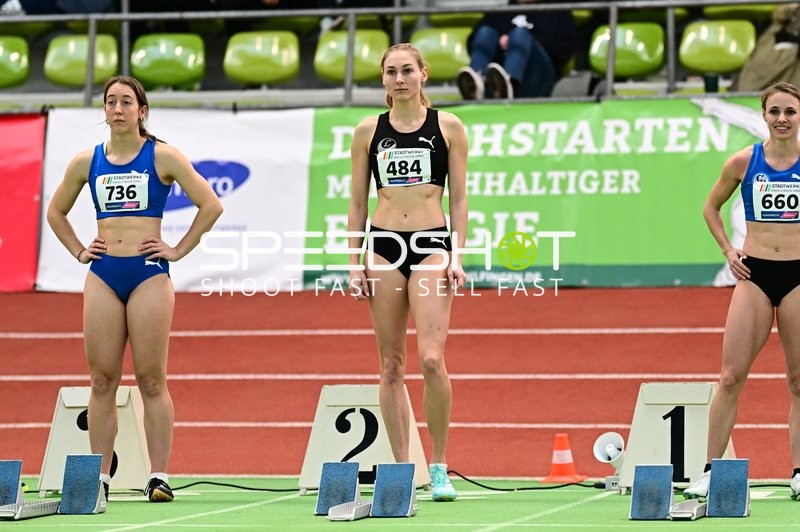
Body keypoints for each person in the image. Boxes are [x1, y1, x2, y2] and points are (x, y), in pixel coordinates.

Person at [46, 75, 223, 503]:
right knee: (102, 379)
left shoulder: (161, 156)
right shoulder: (86, 162)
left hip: (148, 274)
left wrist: (178, 249)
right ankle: (97, 480)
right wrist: (77, 250)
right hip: (104, 275)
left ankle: (158, 476)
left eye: (127, 102)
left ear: (142, 111)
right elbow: (56, 212)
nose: (118, 109)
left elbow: (211, 204)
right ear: (104, 112)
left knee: (150, 379)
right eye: (111, 102)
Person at [347, 43, 468, 501]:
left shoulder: (448, 127)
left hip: (431, 243)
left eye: (407, 71)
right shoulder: (367, 132)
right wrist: (354, 261)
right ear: (383, 80)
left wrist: (457, 255)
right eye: (391, 72)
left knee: (432, 360)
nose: (400, 79)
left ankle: (438, 466)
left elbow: (458, 198)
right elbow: (358, 202)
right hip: (382, 246)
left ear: (423, 75)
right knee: (390, 364)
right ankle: (403, 469)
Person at [684, 81, 800, 500]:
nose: (782, 119)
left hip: (798, 276)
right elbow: (710, 207)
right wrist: (727, 249)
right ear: (764, 115)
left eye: (790, 111)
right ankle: (710, 470)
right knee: (730, 377)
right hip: (754, 275)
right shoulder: (743, 161)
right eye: (775, 112)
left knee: (799, 380)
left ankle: (799, 472)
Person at [456, 0, 576, 100]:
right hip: (495, 75)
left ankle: (510, 84)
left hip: (537, 77)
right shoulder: (498, 12)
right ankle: (475, 86)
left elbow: (564, 52)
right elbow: (472, 43)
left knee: (519, 35)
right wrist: (500, 42)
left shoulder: (558, 11)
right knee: (485, 33)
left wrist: (524, 41)